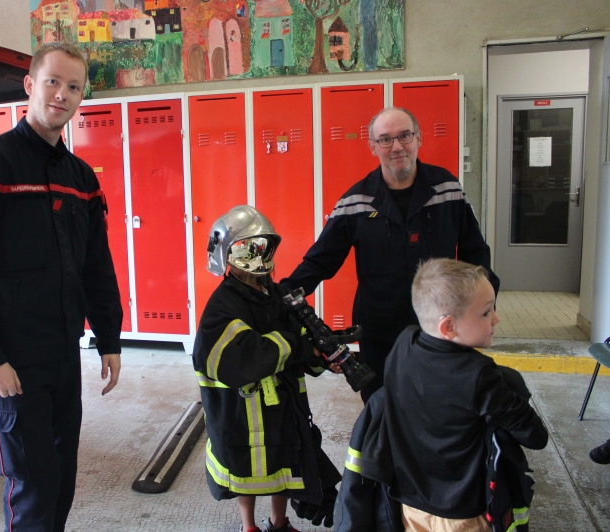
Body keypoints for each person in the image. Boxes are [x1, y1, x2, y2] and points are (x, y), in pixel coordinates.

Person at [0, 42, 123, 532]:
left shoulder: (81, 178)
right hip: (13, 362)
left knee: (61, 480)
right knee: (32, 485)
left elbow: (96, 266)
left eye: (73, 87)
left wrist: (109, 338)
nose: (62, 95)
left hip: (64, 356)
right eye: (53, 82)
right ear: (29, 85)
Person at [283, 107, 499, 402]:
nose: (397, 147)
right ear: (373, 147)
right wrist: (278, 297)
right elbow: (320, 261)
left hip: (442, 326)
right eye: (385, 139)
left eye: (404, 136)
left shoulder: (446, 189)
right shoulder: (356, 202)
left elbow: (476, 253)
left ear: (418, 138)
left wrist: (484, 305)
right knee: (382, 407)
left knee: (441, 405)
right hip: (378, 329)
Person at [362, 258, 547, 531]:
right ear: (448, 327)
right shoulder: (480, 374)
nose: (496, 318)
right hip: (462, 513)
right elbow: (535, 436)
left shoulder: (404, 344)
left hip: (409, 504)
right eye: (486, 313)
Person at [193, 205, 341, 532]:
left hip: (283, 407)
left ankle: (279, 521)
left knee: (284, 467)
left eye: (263, 247)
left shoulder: (275, 294)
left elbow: (300, 336)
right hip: (241, 415)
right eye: (248, 247)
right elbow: (244, 357)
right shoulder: (222, 306)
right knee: (246, 473)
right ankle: (249, 526)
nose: (257, 256)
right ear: (226, 254)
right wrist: (296, 345)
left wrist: (322, 355)